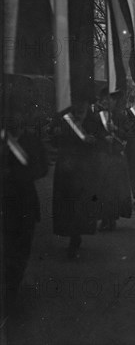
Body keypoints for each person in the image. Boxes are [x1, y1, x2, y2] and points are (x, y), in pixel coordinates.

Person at [2, 89, 48, 314]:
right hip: (5, 203)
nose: (15, 118)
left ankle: (13, 286)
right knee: (8, 246)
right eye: (11, 113)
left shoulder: (31, 140)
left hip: (26, 202)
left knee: (22, 247)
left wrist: (22, 175)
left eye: (19, 113)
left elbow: (43, 168)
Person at [52, 100, 101, 259]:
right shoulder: (65, 118)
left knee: (81, 204)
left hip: (84, 170)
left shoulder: (93, 119)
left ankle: (76, 235)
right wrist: (55, 132)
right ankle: (73, 235)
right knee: (68, 203)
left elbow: (100, 139)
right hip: (67, 168)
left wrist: (94, 141)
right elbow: (54, 139)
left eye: (83, 103)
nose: (80, 107)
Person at [93, 89, 132, 231]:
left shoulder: (121, 117)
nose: (106, 101)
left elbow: (128, 135)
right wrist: (103, 138)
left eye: (109, 99)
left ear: (115, 101)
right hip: (102, 157)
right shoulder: (97, 117)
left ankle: (112, 218)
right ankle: (103, 217)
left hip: (116, 157)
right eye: (104, 99)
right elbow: (93, 135)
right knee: (102, 190)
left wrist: (115, 129)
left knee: (114, 190)